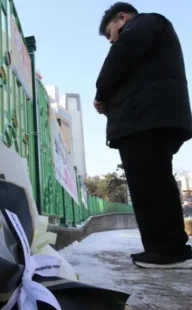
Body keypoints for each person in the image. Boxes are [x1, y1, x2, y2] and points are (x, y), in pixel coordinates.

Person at [94, 2, 192, 268]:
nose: (113, 42)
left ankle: (166, 251)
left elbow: (119, 59)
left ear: (122, 17)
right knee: (155, 181)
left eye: (112, 34)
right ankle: (169, 248)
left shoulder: (144, 23)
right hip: (150, 118)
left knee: (149, 183)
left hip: (147, 121)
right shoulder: (150, 34)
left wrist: (101, 93)